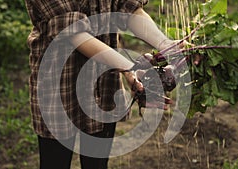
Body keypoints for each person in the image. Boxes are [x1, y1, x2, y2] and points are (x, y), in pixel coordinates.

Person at [24, 0, 182, 168]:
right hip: (60, 84)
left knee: (97, 163)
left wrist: (167, 46)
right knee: (55, 162)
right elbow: (75, 34)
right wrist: (130, 67)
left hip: (104, 83)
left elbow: (128, 8)